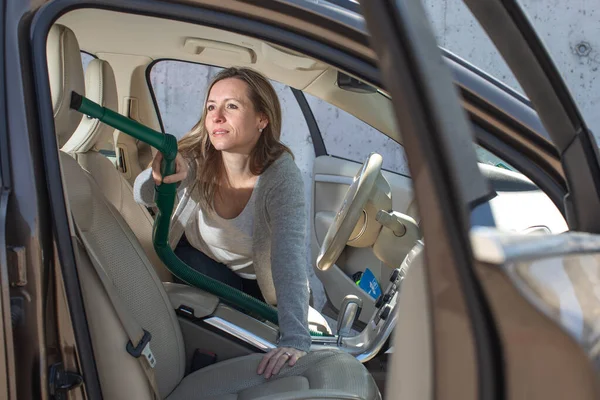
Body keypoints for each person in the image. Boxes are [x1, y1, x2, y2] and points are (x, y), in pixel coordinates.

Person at [133, 67, 311, 379]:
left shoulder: (282, 177)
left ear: (261, 119)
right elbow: (142, 194)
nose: (216, 117)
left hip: (256, 282)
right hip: (198, 263)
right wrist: (161, 178)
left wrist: (297, 339)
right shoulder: (195, 155)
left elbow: (288, 257)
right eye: (211, 107)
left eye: (231, 106)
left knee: (267, 339)